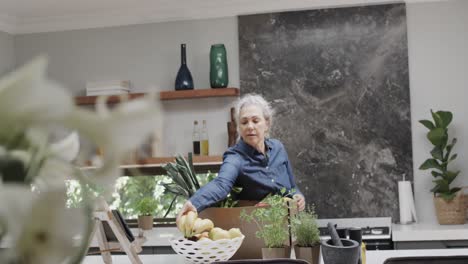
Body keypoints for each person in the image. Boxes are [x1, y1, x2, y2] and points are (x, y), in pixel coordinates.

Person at [176, 93, 305, 224]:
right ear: (239, 128)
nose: (250, 126)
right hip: (257, 229)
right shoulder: (235, 157)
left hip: (289, 225)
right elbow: (221, 184)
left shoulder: (278, 148)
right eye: (244, 122)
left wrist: (298, 196)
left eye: (255, 121)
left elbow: (292, 186)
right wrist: (193, 203)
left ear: (267, 124)